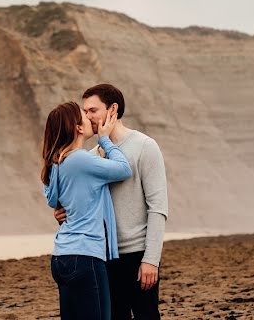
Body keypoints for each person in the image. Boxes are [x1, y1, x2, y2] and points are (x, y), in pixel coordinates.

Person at [55, 84, 168, 320]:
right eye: (85, 112)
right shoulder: (94, 154)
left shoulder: (145, 146)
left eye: (92, 110)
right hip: (103, 256)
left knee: (147, 315)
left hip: (138, 254)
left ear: (112, 109)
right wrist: (63, 212)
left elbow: (158, 208)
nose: (87, 117)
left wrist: (151, 260)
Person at [42, 101, 132, 320]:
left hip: (61, 256)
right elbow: (124, 169)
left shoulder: (56, 164)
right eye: (84, 115)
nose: (90, 117)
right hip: (85, 256)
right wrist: (105, 140)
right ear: (78, 128)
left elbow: (53, 200)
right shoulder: (80, 159)